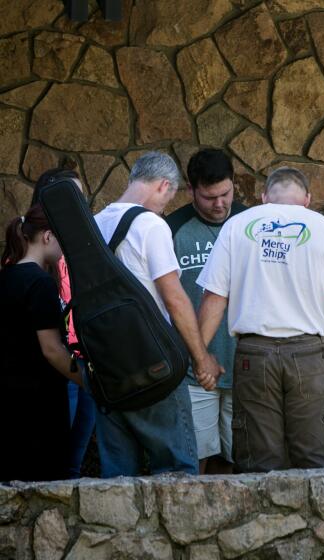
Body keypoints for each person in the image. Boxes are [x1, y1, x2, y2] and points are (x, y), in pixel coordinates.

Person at [197, 167, 324, 472]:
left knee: (257, 464)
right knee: (317, 461)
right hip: (307, 356)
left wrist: (199, 355)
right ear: (308, 199)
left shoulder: (236, 226)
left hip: (253, 356)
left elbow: (214, 298)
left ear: (264, 197)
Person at [93, 151, 221, 477]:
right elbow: (174, 298)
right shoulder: (150, 224)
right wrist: (200, 356)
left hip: (106, 365)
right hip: (152, 362)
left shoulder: (94, 223)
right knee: (177, 467)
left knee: (118, 476)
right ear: (164, 185)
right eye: (169, 197)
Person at [166, 149, 247, 475]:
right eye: (209, 197)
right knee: (193, 459)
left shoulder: (250, 224)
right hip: (192, 370)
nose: (219, 204)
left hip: (245, 366)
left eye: (226, 194)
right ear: (191, 191)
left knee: (238, 459)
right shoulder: (171, 229)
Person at [1, 204, 83, 482]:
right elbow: (52, 349)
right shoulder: (40, 282)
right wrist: (88, 380)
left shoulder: (6, 277)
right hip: (39, 407)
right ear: (47, 237)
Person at [30, 168, 97, 479]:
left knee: (74, 460)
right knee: (54, 458)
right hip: (59, 367)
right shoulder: (34, 245)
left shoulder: (83, 242)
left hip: (86, 361)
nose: (78, 202)